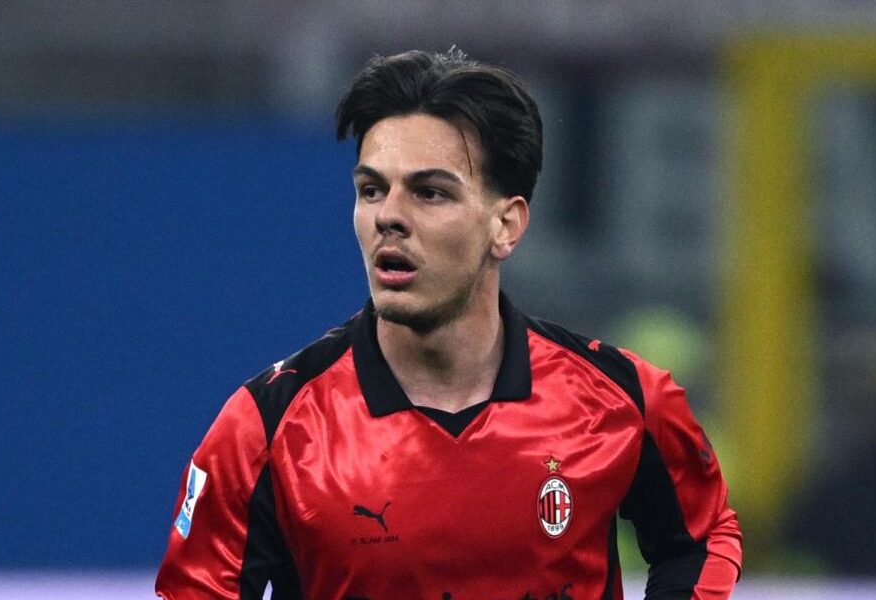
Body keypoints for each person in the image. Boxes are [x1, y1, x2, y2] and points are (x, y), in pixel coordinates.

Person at [155, 48, 742, 600]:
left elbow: (703, 534)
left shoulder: (621, 400)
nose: (388, 217)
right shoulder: (268, 428)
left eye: (430, 193)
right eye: (371, 190)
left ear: (505, 226)